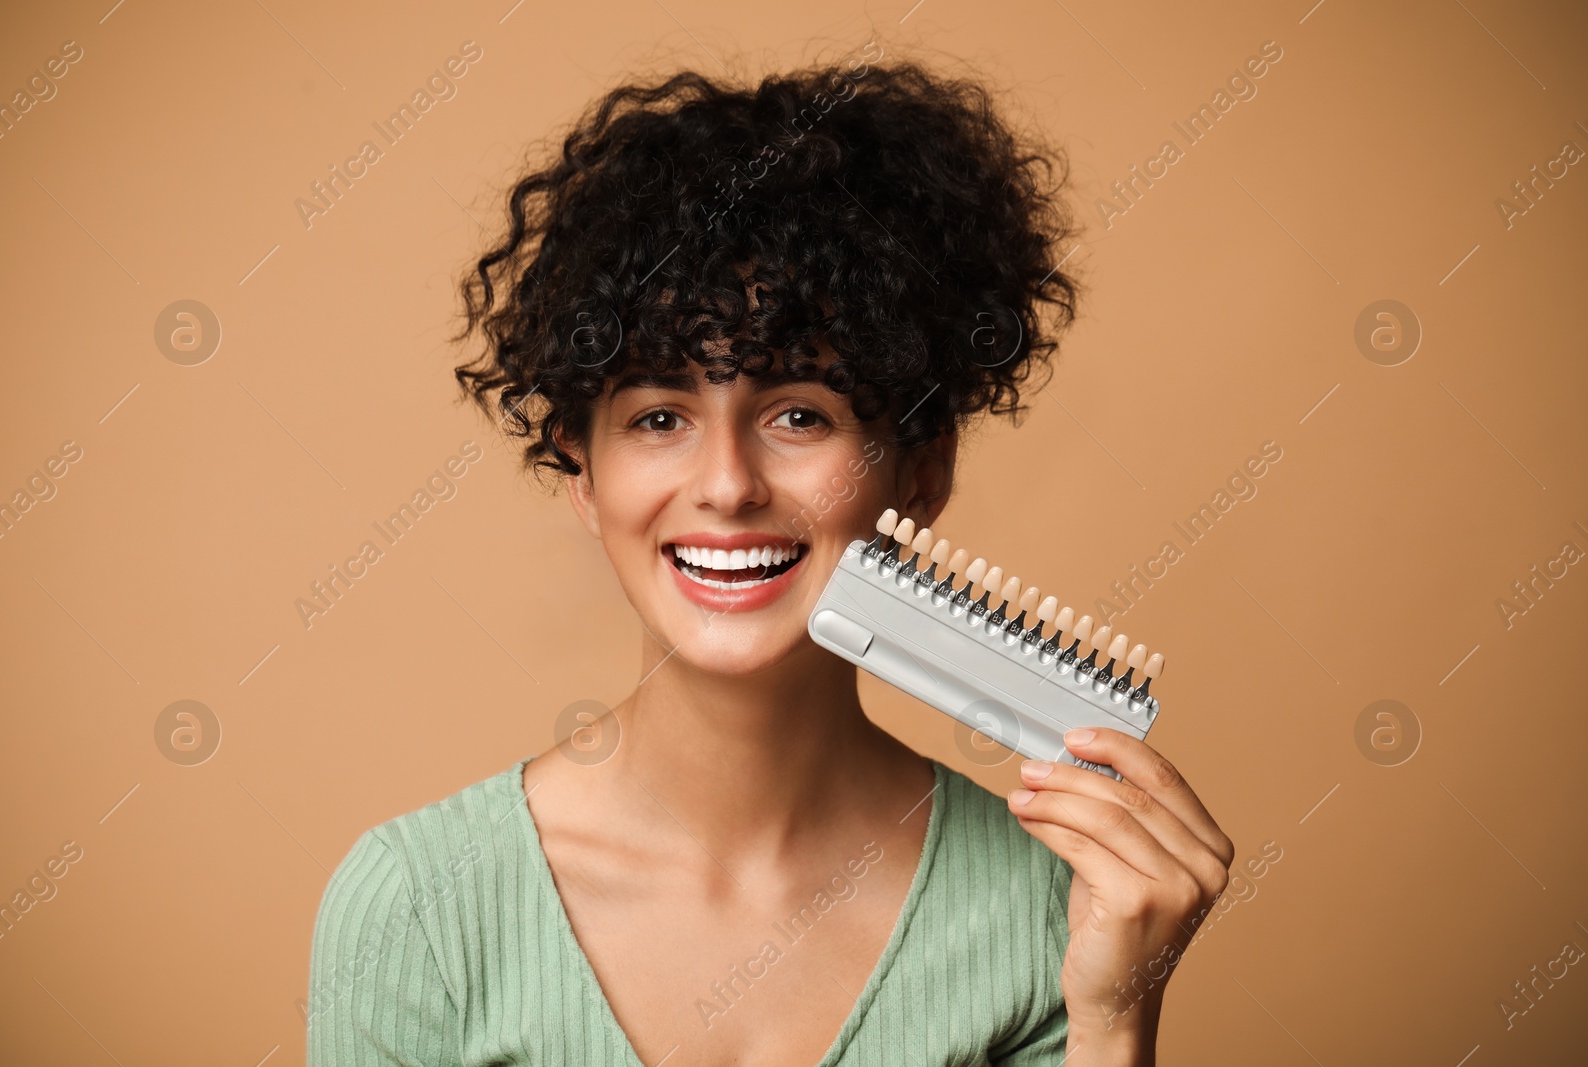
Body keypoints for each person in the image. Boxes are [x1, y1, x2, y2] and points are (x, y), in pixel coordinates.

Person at [308, 46, 1233, 1067]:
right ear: (582, 472)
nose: (727, 483)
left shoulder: (1046, 911)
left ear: (919, 471)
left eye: (799, 412)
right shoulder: (419, 909)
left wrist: (1112, 1023)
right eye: (659, 415)